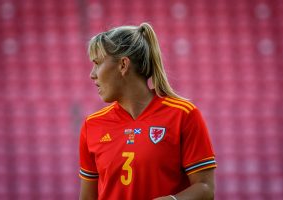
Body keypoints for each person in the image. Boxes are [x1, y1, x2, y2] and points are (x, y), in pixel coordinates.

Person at [79, 22, 217, 200]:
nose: (92, 74)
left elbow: (205, 188)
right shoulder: (92, 125)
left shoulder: (184, 114)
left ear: (123, 64)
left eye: (97, 63)